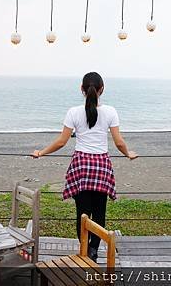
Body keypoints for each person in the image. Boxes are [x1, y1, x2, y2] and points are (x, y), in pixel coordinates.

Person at [32, 72, 138, 261]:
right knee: (99, 212)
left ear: (82, 89)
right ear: (102, 89)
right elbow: (119, 142)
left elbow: (61, 142)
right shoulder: (111, 111)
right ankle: (94, 251)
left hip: (81, 165)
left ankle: (84, 249)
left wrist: (41, 152)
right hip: (101, 165)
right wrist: (128, 153)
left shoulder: (73, 112)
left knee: (82, 212)